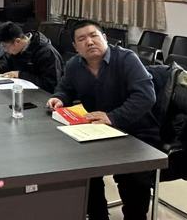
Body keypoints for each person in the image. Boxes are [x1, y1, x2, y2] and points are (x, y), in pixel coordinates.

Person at [47, 20, 159, 220]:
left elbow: (146, 96)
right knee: (83, 171)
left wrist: (112, 117)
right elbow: (65, 88)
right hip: (97, 131)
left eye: (94, 36)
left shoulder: (126, 59)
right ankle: (98, 214)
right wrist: (59, 98)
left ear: (105, 38)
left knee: (132, 179)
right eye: (82, 39)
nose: (89, 42)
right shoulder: (74, 65)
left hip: (136, 132)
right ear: (75, 46)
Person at [0, 21, 63, 93]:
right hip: (22, 91)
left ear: (17, 41)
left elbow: (51, 84)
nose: (5, 50)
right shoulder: (16, 49)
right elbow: (8, 63)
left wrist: (20, 75)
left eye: (5, 46)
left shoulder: (46, 53)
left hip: (42, 96)